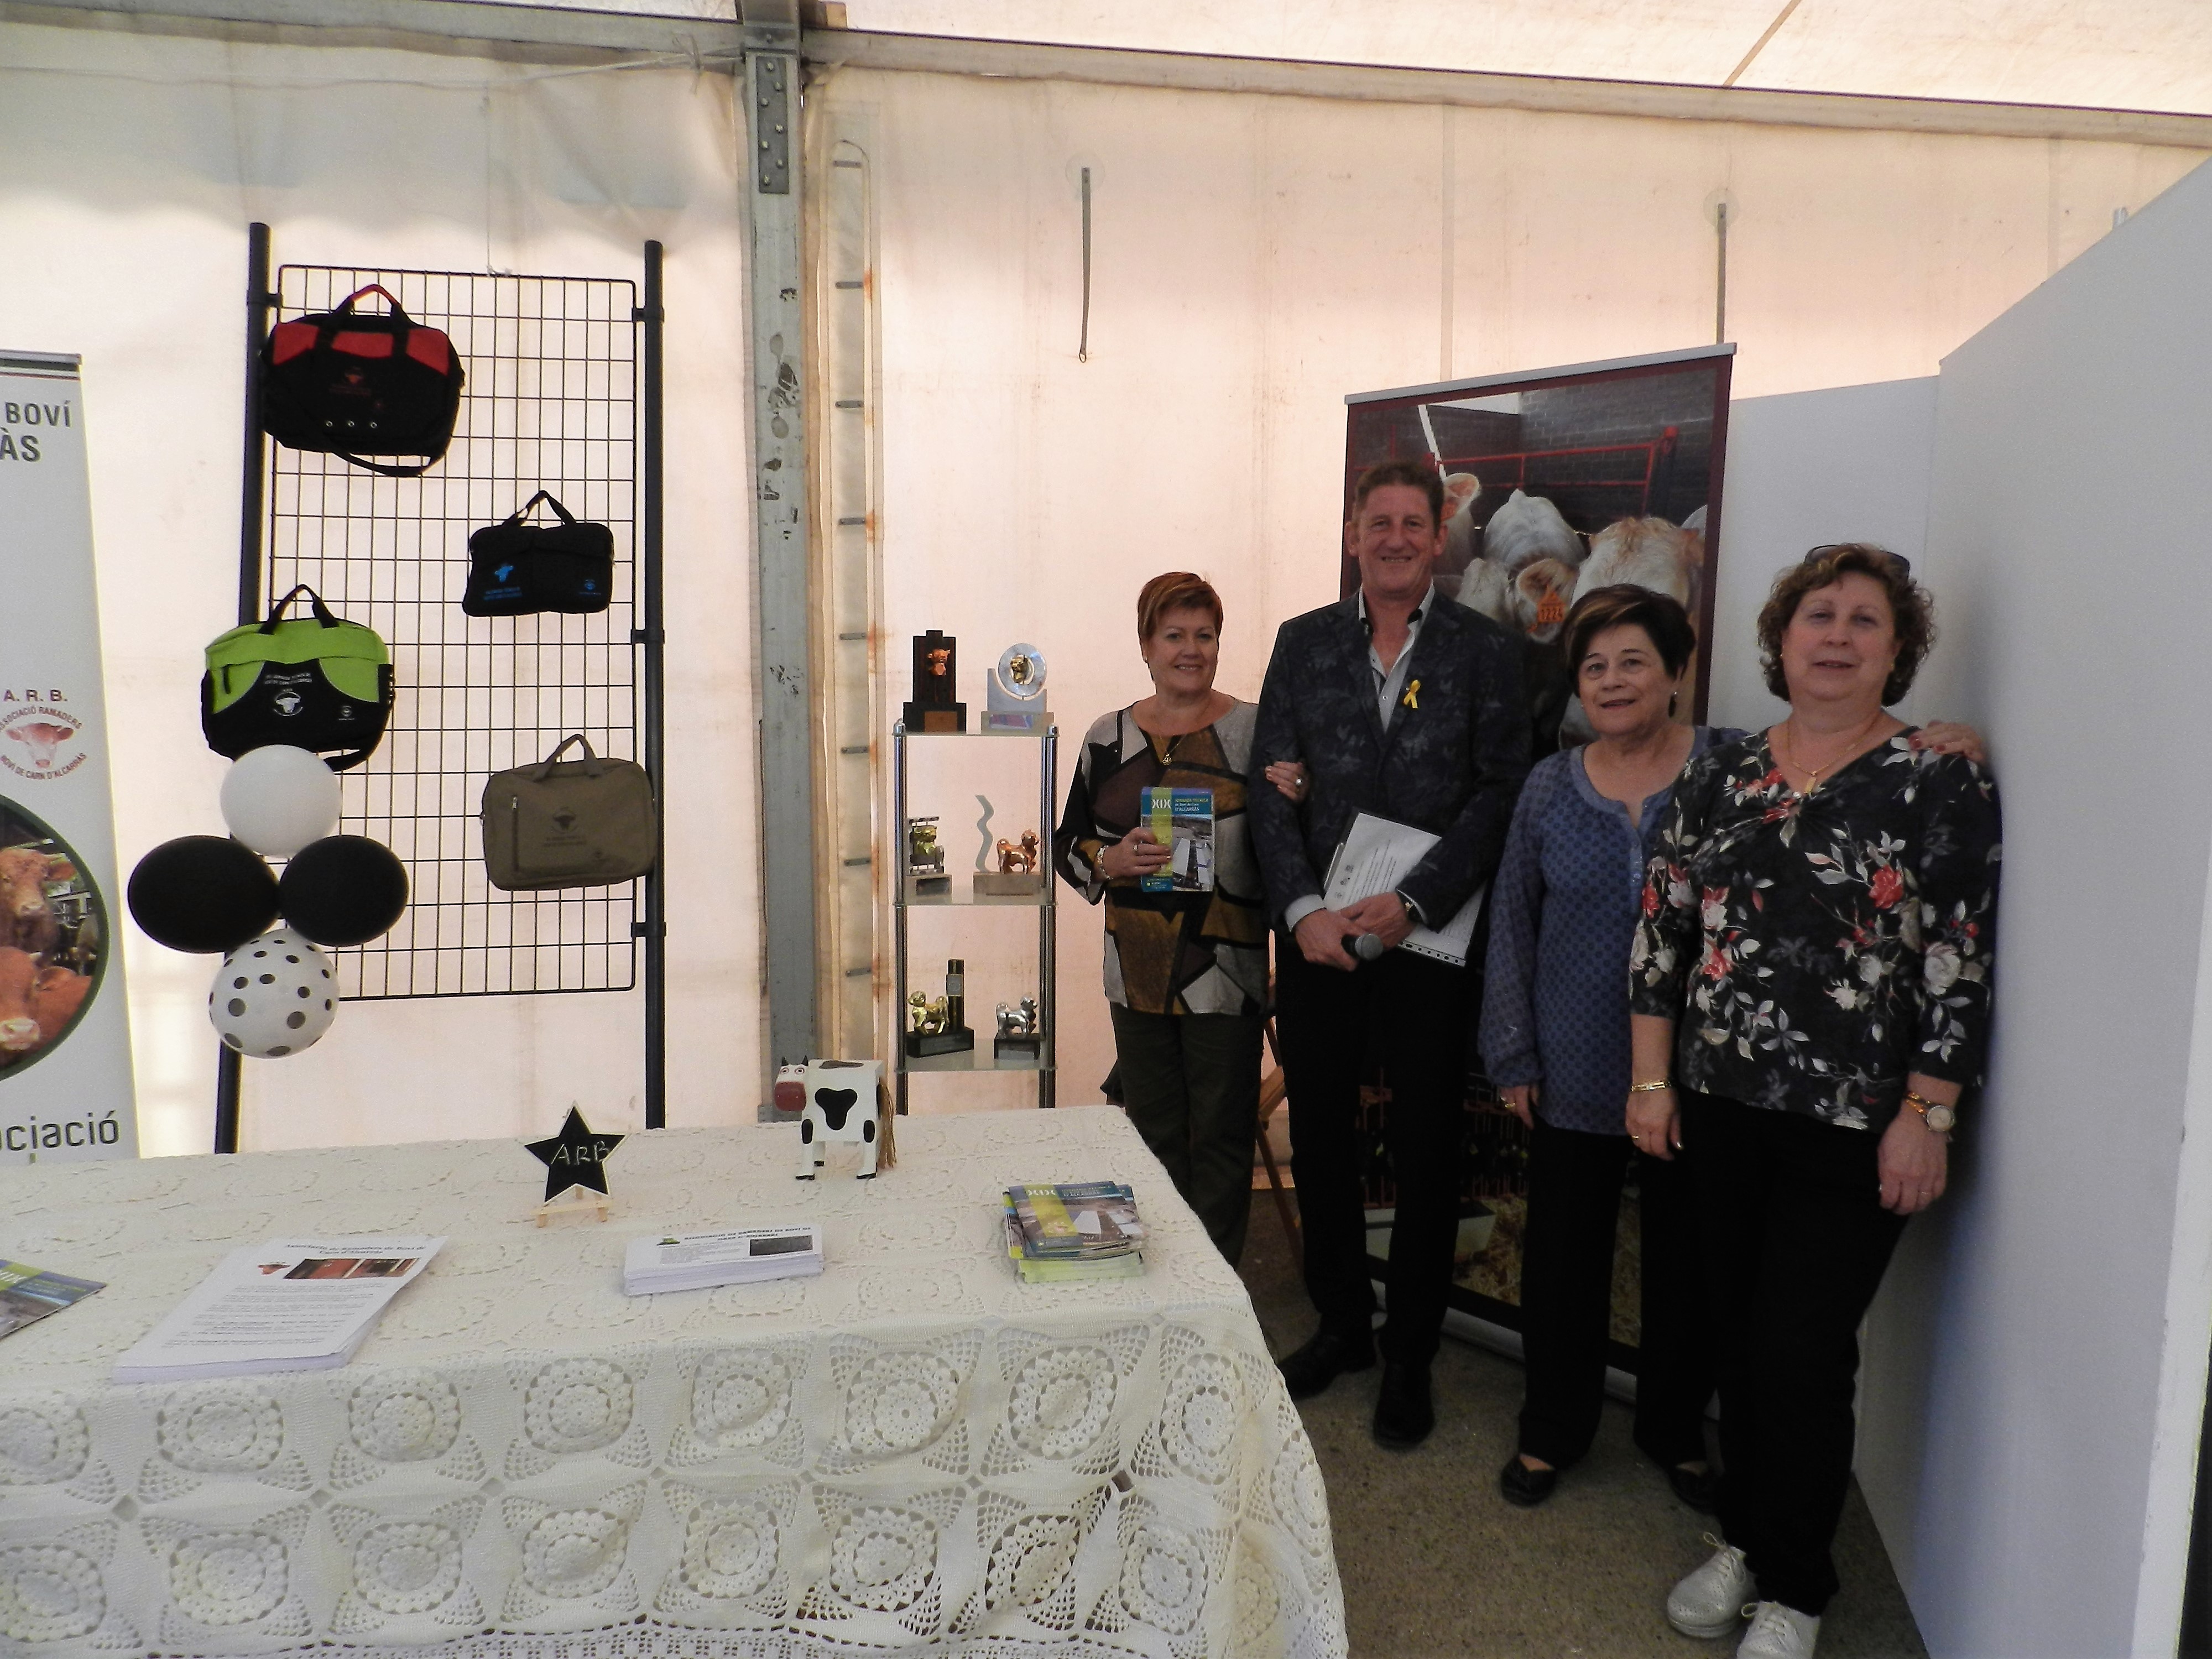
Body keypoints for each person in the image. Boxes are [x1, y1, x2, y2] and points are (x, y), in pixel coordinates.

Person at [1481, 584, 1991, 1514]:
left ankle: (1674, 1432)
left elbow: (1853, 776)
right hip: (1577, 1062)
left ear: (1676, 673)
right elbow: (1513, 921)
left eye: (1634, 662)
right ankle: (1552, 1429)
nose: (1613, 681)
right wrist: (1511, 1051)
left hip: (1698, 1079)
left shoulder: (1724, 762)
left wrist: (1948, 737)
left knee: (1690, 1272)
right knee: (1561, 1259)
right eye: (1594, 667)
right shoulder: (1553, 785)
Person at [1630, 545, 2001, 1659]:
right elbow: (1662, 933)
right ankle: (1747, 1540)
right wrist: (1651, 1081)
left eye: (1864, 620)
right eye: (1817, 616)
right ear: (1781, 640)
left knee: (1800, 1350)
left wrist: (1927, 1114)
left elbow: (1957, 958)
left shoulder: (1937, 778)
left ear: (1899, 649)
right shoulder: (1722, 774)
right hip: (1718, 1104)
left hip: (1855, 1121)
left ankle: (1795, 1587)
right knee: (1737, 1340)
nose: (1836, 636)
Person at [1249, 458, 1530, 1448]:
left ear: (1439, 536)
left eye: (1415, 522)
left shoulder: (1488, 652)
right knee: (1321, 1138)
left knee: (1426, 1149)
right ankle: (1341, 1326)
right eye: (1381, 522)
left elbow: (1502, 791)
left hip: (1427, 943)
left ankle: (1409, 1352)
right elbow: (1268, 789)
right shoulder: (1303, 642)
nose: (1398, 538)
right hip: (1321, 942)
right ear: (1354, 535)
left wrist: (1416, 902)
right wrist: (1300, 910)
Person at [1053, 572, 1270, 1264]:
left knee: (1224, 1142)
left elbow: (1292, 841)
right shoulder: (1107, 737)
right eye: (1174, 635)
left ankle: (1216, 1290)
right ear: (1146, 646)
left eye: (1204, 635)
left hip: (1227, 974)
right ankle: (1161, 1283)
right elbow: (1066, 844)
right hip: (1137, 975)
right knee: (1151, 1141)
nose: (1190, 650)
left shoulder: (1256, 731)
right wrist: (1109, 860)